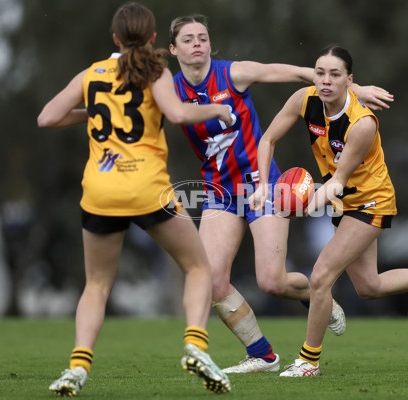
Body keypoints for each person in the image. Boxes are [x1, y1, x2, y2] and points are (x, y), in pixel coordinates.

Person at [168, 15, 395, 374]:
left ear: (211, 45)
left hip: (263, 186)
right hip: (219, 192)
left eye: (203, 38)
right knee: (212, 281)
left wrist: (357, 90)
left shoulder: (234, 73)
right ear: (173, 49)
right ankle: (262, 354)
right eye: (187, 39)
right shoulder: (168, 88)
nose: (196, 44)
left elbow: (303, 73)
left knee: (271, 282)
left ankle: (315, 295)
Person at [249, 45, 408, 377]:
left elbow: (336, 182)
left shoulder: (362, 123)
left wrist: (300, 204)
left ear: (349, 81)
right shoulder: (304, 99)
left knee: (320, 278)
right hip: (342, 202)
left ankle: (308, 362)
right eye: (320, 73)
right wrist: (264, 184)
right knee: (369, 287)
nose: (325, 81)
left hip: (370, 202)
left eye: (335, 75)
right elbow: (267, 141)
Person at [37, 3, 232, 395]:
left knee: (96, 285)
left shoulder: (92, 73)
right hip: (148, 189)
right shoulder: (155, 71)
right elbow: (177, 114)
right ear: (155, 39)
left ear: (114, 38)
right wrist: (218, 110)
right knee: (197, 267)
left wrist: (92, 111)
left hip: (100, 191)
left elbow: (47, 118)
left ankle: (77, 367)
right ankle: (196, 344)